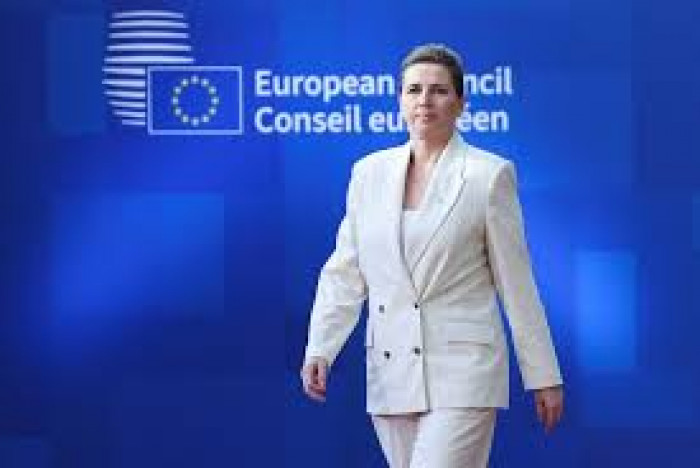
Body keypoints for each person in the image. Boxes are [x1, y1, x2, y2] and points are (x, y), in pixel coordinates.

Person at [300, 43, 564, 468]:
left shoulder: (488, 175)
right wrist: (321, 347)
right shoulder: (368, 174)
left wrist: (543, 375)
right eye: (414, 90)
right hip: (392, 369)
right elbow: (345, 273)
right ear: (400, 100)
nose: (425, 100)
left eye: (439, 90)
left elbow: (517, 285)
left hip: (464, 369)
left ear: (460, 103)